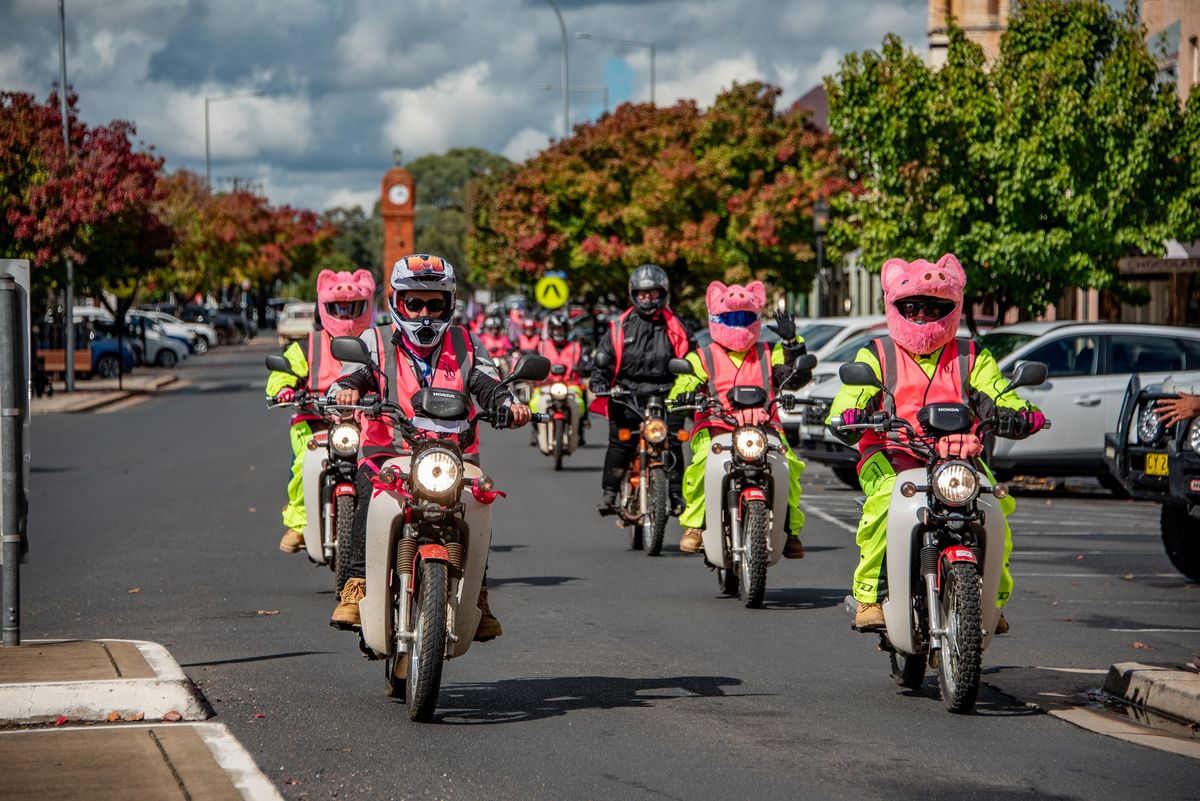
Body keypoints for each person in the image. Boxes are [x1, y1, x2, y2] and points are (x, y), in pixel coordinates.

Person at [825, 254, 1044, 633]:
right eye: (913, 307)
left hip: (956, 456)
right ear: (896, 306)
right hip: (890, 451)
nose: (924, 315)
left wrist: (1021, 412)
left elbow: (998, 392)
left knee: (996, 505)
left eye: (935, 307)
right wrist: (849, 414)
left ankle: (992, 600)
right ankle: (869, 595)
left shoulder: (971, 355)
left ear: (953, 307)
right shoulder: (876, 353)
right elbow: (853, 394)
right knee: (884, 501)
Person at [327, 254, 531, 639]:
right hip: (387, 451)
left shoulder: (468, 343)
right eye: (414, 303)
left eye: (434, 304)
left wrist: (509, 406)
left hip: (454, 455)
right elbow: (351, 374)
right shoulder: (373, 340)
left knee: (478, 504)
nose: (424, 313)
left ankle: (478, 598)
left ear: (449, 305)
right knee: (369, 491)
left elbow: (489, 385)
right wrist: (347, 390)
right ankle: (355, 588)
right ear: (397, 303)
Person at [668, 280, 812, 557]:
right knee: (701, 465)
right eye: (729, 318)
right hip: (716, 425)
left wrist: (793, 344)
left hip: (763, 426)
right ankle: (695, 526)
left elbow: (795, 376)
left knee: (788, 465)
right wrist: (685, 396)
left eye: (744, 318)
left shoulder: (769, 352)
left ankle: (790, 528)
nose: (737, 324)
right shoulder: (702, 356)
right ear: (715, 318)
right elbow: (683, 384)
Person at [265, 269, 375, 554]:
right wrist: (284, 390)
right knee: (302, 463)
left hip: (365, 421)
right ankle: (299, 523)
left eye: (353, 307)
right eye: (339, 307)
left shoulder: (378, 342)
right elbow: (283, 373)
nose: (346, 314)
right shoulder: (308, 345)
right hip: (316, 420)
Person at [589, 264, 695, 517]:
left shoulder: (676, 326)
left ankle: (675, 495)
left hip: (667, 394)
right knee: (620, 443)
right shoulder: (620, 326)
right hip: (627, 394)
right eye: (642, 294)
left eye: (653, 293)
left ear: (663, 293)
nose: (648, 299)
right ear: (633, 294)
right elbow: (604, 357)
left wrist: (692, 387)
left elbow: (693, 361)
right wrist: (600, 381)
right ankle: (610, 493)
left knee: (673, 442)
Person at [532, 311, 589, 443]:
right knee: (534, 402)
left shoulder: (575, 346)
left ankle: (580, 428)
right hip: (546, 384)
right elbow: (534, 361)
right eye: (556, 330)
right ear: (551, 331)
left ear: (567, 330)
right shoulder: (541, 345)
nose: (559, 333)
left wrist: (585, 367)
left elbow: (584, 362)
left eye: (561, 330)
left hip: (571, 384)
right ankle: (536, 430)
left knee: (580, 400)